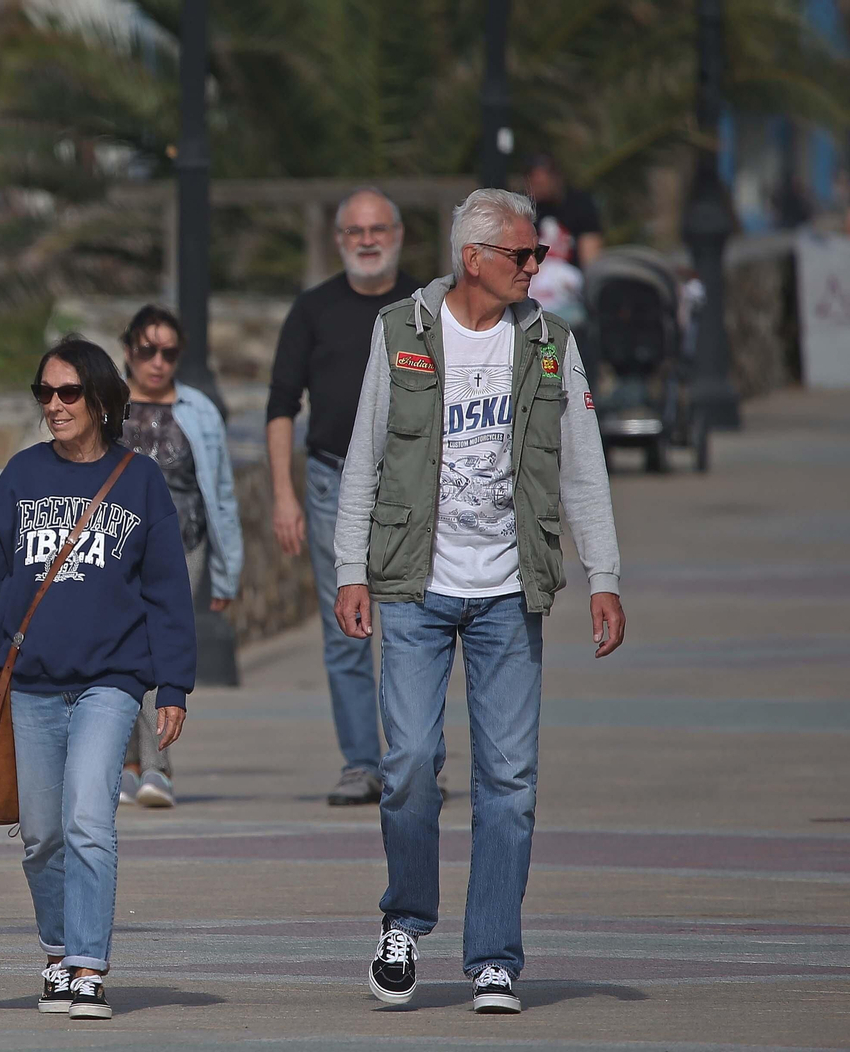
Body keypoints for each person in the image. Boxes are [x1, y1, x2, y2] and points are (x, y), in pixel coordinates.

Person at [333, 189, 625, 1015]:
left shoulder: (547, 343)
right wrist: (349, 568)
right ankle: (405, 920)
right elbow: (364, 456)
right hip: (413, 588)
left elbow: (582, 468)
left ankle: (493, 956)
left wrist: (603, 576)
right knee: (410, 766)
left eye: (536, 257)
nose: (536, 268)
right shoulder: (401, 332)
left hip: (507, 592)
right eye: (522, 256)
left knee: (509, 780)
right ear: (474, 258)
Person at [0, 336, 196, 1021]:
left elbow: (167, 592)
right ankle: (58, 951)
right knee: (41, 836)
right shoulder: (21, 477)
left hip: (110, 681)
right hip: (28, 683)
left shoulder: (140, 481)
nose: (53, 406)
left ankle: (88, 964)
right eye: (44, 393)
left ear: (100, 401)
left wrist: (173, 686)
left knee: (90, 818)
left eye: (66, 393)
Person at [266, 186, 419, 806]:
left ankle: (413, 757)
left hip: (414, 485)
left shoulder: (426, 307)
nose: (367, 240)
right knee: (348, 631)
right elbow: (280, 407)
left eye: (378, 228)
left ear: (399, 234)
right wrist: (284, 496)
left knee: (417, 625)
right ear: (338, 241)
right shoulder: (312, 310)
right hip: (330, 482)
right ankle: (361, 762)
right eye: (355, 231)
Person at [117, 305, 243, 810]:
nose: (157, 361)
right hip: (114, 548)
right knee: (116, 653)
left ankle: (155, 767)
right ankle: (127, 766)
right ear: (128, 351)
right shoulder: (107, 405)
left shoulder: (200, 411)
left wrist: (227, 573)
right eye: (147, 349)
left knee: (151, 651)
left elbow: (222, 493)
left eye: (169, 352)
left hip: (181, 546)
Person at [524, 154, 604, 268]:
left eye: (539, 184)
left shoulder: (580, 205)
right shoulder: (527, 211)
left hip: (569, 274)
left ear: (555, 178)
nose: (533, 189)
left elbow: (590, 255)